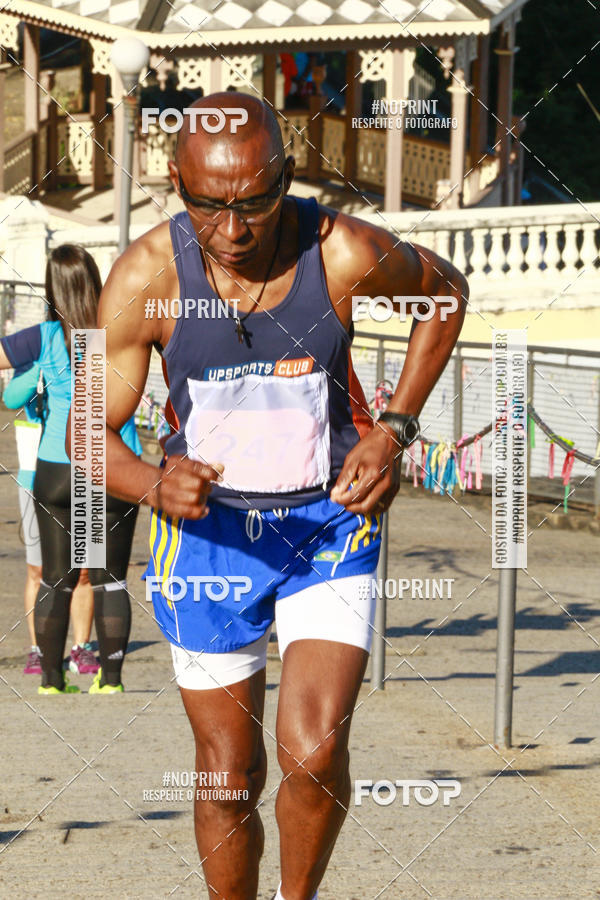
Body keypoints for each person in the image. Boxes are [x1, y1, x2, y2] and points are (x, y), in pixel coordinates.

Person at [93, 93, 468, 899]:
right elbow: (90, 436)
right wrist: (157, 482)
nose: (233, 230)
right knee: (228, 772)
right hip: (206, 544)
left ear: (289, 179)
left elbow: (444, 295)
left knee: (313, 750)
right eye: (209, 207)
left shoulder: (342, 252)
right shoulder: (145, 274)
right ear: (174, 182)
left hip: (328, 523)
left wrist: (394, 429)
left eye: (256, 205)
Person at [0, 244, 142, 695]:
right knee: (107, 578)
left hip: (58, 467)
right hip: (111, 466)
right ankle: (111, 680)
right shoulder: (117, 329)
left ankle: (51, 679)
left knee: (56, 579)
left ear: (51, 288)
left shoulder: (43, 337)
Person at [3, 355, 100, 675]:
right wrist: (44, 362)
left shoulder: (92, 356)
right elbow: (12, 397)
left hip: (87, 474)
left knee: (85, 569)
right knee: (39, 569)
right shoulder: (38, 354)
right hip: (36, 478)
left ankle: (81, 648)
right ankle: (38, 648)